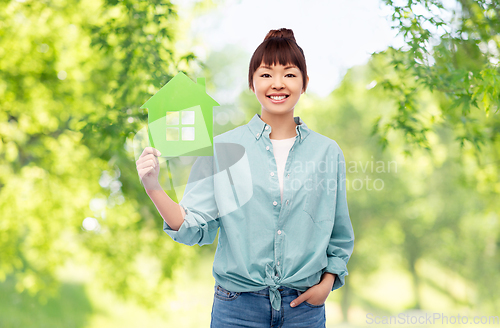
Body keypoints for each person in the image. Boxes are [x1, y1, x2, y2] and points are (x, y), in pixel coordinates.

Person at [136, 28, 354, 328]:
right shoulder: (223, 149)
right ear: (252, 84)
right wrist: (153, 187)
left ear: (305, 83)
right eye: (266, 74)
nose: (277, 84)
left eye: (289, 74)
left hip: (304, 309)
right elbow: (192, 227)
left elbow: (338, 232)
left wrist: (328, 282)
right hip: (237, 310)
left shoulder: (327, 152)